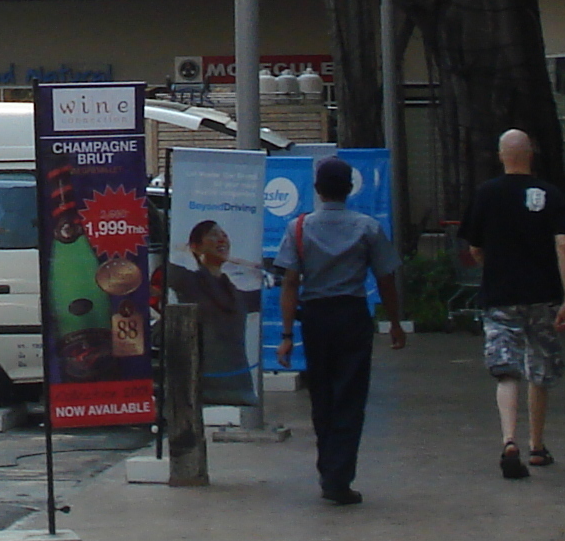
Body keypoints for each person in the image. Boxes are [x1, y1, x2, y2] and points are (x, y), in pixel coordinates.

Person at [271, 156, 405, 506]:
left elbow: (289, 283)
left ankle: (327, 467)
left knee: (322, 395)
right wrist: (393, 321)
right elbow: (386, 278)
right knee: (351, 396)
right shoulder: (368, 228)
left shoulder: (297, 228)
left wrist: (286, 335)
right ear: (349, 189)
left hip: (315, 318)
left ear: (317, 190)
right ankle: (339, 475)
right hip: (352, 315)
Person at [460, 129, 565, 481]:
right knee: (539, 370)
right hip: (542, 295)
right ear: (531, 154)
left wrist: (490, 266)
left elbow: (474, 247)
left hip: (500, 295)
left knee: (506, 370)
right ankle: (537, 446)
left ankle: (509, 440)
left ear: (500, 155)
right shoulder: (551, 194)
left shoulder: (486, 194)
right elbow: (564, 244)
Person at [158, 218, 253, 411]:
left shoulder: (237, 294)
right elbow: (160, 263)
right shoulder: (189, 281)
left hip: (240, 385)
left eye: (224, 235)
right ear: (196, 246)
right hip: (206, 384)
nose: (222, 240)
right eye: (213, 235)